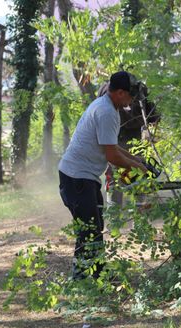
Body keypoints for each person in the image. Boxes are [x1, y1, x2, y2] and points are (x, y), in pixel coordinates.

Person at [58, 71, 147, 279]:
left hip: (82, 177)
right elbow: (112, 156)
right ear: (120, 92)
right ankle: (84, 278)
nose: (132, 100)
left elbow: (111, 146)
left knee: (94, 226)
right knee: (89, 230)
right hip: (77, 178)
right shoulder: (106, 112)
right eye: (131, 95)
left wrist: (136, 158)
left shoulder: (107, 106)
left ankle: (94, 273)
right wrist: (136, 166)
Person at [97, 80, 160, 206]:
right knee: (115, 177)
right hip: (114, 138)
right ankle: (114, 214)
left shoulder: (141, 90)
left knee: (139, 177)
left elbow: (153, 117)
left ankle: (140, 220)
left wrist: (150, 133)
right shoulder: (107, 91)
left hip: (136, 140)